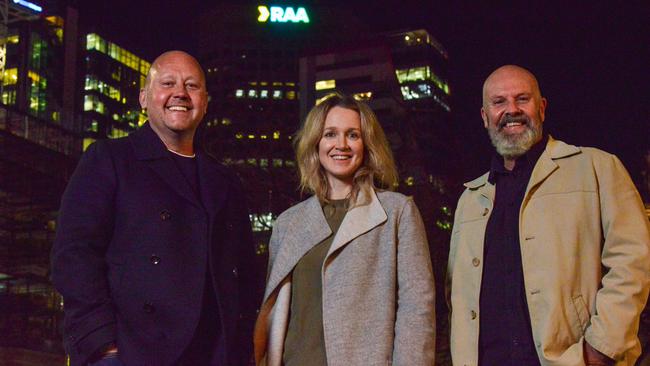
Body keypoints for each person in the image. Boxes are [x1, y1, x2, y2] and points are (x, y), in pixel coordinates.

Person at [51, 51, 258, 366]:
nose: (180, 93)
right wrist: (102, 346)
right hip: (134, 352)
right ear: (144, 98)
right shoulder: (110, 159)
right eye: (168, 83)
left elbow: (244, 275)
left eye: (192, 86)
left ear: (205, 101)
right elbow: (74, 255)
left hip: (215, 354)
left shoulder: (226, 181)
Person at [446, 65, 650, 365]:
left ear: (541, 108)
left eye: (522, 99)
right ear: (484, 116)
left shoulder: (597, 168)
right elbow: (455, 294)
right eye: (499, 102)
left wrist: (601, 349)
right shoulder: (470, 198)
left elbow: (634, 261)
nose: (511, 110)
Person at [253, 94, 436, 365]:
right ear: (316, 143)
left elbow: (417, 309)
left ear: (367, 145)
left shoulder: (397, 212)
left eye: (353, 135)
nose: (341, 145)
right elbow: (275, 314)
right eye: (330, 134)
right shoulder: (287, 223)